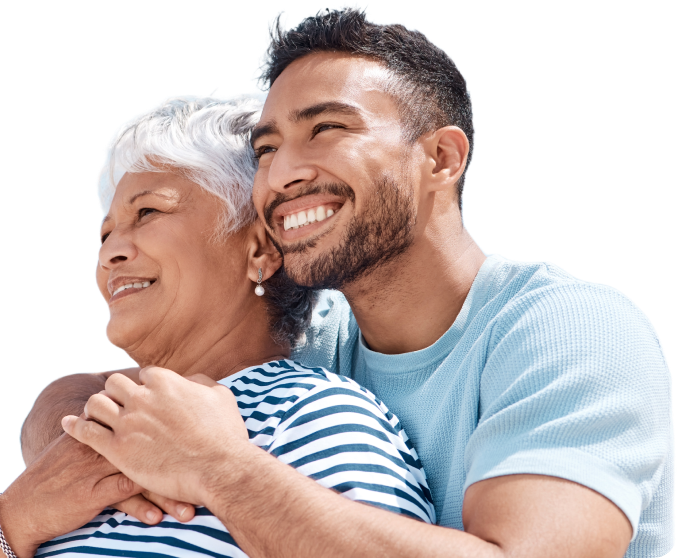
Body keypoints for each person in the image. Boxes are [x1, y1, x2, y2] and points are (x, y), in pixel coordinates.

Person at [44, 5, 672, 558]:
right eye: (267, 149)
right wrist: (93, 452)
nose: (283, 174)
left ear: (441, 159)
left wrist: (219, 470)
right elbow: (82, 395)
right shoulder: (318, 336)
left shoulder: (570, 330)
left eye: (326, 129)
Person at [0, 93, 434, 558]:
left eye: (148, 212)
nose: (110, 253)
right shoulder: (87, 435)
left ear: (260, 250)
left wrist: (220, 471)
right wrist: (17, 516)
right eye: (106, 232)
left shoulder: (316, 414)